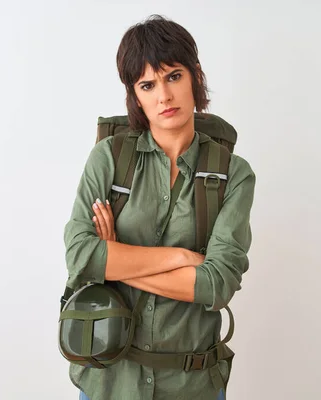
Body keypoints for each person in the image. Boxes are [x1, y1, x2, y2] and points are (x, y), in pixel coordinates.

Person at [63, 14, 256, 400]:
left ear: (195, 76)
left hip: (192, 386)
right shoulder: (109, 158)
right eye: (147, 85)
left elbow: (217, 284)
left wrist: (116, 260)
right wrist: (182, 257)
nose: (163, 97)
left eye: (173, 76)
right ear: (135, 96)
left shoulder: (233, 174)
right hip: (109, 382)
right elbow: (80, 254)